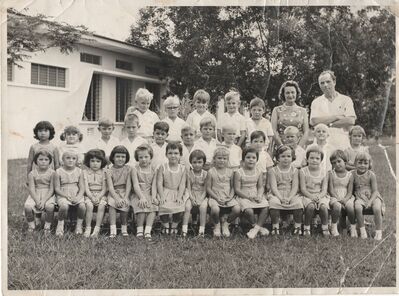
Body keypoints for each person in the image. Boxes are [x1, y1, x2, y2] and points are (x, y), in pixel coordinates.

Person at [310, 70, 356, 150]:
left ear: (334, 82)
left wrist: (328, 124)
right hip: (321, 144)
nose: (325, 85)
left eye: (328, 82)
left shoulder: (346, 100)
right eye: (322, 83)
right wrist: (337, 117)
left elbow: (350, 121)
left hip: (341, 142)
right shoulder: (316, 102)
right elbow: (314, 121)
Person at [234, 146, 270, 239]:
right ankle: (256, 226)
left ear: (257, 160)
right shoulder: (239, 172)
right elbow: (237, 189)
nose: (251, 160)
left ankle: (255, 229)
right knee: (249, 210)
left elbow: (260, 186)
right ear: (243, 159)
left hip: (255, 194)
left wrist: (259, 195)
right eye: (248, 157)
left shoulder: (258, 171)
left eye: (253, 158)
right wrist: (248, 197)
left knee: (265, 207)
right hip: (243, 196)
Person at [268, 145, 303, 235]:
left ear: (292, 158)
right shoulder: (273, 170)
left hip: (291, 193)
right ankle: (275, 227)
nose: (286, 159)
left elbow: (295, 187)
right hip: (277, 193)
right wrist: (281, 198)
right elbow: (274, 187)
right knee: (273, 203)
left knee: (298, 203)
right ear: (278, 158)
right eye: (283, 156)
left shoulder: (295, 170)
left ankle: (297, 227)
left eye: (288, 156)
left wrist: (289, 198)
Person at [206, 147, 241, 237]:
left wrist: (230, 197)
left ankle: (226, 223)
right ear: (214, 159)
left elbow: (233, 187)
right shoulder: (211, 171)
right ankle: (217, 224)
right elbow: (208, 188)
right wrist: (217, 198)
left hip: (227, 197)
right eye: (219, 158)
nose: (222, 160)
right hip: (215, 196)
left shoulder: (230, 172)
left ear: (227, 160)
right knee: (215, 209)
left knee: (237, 209)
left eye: (224, 158)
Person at [157, 142, 188, 235]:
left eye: (176, 153)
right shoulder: (163, 167)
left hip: (178, 191)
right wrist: (162, 196)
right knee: (163, 205)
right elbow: (159, 182)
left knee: (179, 205)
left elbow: (182, 184)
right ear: (166, 155)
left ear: (180, 155)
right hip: (165, 190)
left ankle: (174, 225)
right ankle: (166, 225)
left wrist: (179, 196)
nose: (173, 155)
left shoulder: (183, 168)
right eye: (170, 153)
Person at [353, 152, 384, 240]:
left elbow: (375, 191)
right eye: (360, 162)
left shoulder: (371, 175)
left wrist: (370, 202)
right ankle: (362, 231)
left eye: (365, 163)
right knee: (358, 207)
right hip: (359, 197)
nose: (362, 165)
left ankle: (379, 232)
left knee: (377, 208)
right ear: (355, 163)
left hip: (373, 197)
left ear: (369, 164)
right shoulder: (353, 174)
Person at [300, 146, 330, 237]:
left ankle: (325, 227)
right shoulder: (303, 171)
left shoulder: (324, 172)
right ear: (307, 159)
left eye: (317, 158)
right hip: (307, 195)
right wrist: (311, 196)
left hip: (320, 195)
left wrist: (319, 197)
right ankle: (306, 227)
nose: (314, 160)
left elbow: (324, 189)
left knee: (323, 207)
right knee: (310, 207)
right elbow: (303, 189)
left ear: (321, 160)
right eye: (311, 158)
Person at [54, 150, 86, 236]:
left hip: (76, 194)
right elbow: (57, 188)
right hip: (63, 194)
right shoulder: (58, 171)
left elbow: (82, 187)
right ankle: (60, 225)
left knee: (82, 206)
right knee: (64, 206)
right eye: (68, 158)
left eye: (73, 158)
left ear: (76, 160)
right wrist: (66, 196)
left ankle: (79, 225)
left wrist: (78, 197)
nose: (71, 160)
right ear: (63, 160)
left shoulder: (79, 171)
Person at [24, 149, 56, 233]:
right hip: (35, 193)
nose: (43, 162)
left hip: (48, 194)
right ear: (36, 161)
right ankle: (32, 225)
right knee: (27, 206)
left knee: (50, 207)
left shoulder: (52, 173)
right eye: (41, 159)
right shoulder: (32, 173)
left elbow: (52, 189)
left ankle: (47, 226)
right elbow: (31, 188)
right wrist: (37, 200)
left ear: (50, 161)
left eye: (46, 160)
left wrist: (44, 200)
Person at [131, 144, 158, 240]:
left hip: (149, 192)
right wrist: (141, 197)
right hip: (138, 193)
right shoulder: (135, 169)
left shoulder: (154, 169)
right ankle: (139, 229)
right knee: (141, 205)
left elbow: (154, 185)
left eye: (146, 157)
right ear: (137, 158)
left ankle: (147, 230)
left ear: (150, 157)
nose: (144, 159)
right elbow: (135, 185)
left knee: (153, 206)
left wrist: (154, 196)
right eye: (141, 157)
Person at [271, 80, 309, 148]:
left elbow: (306, 132)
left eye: (292, 92)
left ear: (296, 93)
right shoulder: (277, 110)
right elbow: (273, 130)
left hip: (298, 146)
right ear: (283, 94)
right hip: (281, 148)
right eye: (287, 93)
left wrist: (298, 148)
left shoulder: (303, 111)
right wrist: (281, 146)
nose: (290, 95)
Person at [328, 150, 355, 237]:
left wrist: (345, 199)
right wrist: (338, 199)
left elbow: (350, 191)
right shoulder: (331, 174)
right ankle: (334, 226)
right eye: (334, 163)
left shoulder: (350, 175)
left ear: (345, 161)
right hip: (334, 196)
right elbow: (331, 190)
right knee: (337, 206)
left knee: (350, 207)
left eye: (339, 161)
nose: (337, 164)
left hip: (346, 196)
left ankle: (352, 227)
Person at [182, 150, 208, 237]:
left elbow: (205, 189)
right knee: (187, 207)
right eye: (194, 162)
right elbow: (188, 188)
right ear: (191, 163)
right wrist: (192, 198)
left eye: (200, 162)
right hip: (191, 194)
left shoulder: (206, 174)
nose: (197, 164)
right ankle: (184, 229)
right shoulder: (189, 174)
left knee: (203, 207)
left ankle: (201, 230)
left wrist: (201, 199)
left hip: (202, 195)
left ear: (203, 163)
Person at [107, 145, 132, 238]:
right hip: (114, 192)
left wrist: (125, 197)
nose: (120, 159)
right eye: (118, 156)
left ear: (126, 158)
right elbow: (110, 187)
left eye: (123, 157)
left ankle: (124, 228)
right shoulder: (109, 170)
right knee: (112, 205)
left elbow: (129, 185)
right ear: (113, 157)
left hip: (125, 191)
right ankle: (113, 229)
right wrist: (117, 198)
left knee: (125, 204)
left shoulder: (128, 169)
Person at [82, 149, 108, 238]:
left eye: (98, 161)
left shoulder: (104, 172)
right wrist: (92, 197)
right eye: (92, 161)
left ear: (102, 162)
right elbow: (85, 188)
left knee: (101, 205)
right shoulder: (85, 172)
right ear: (88, 161)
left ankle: (97, 229)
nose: (95, 163)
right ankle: (88, 228)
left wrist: (99, 197)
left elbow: (105, 188)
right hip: (89, 194)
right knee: (89, 206)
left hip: (101, 194)